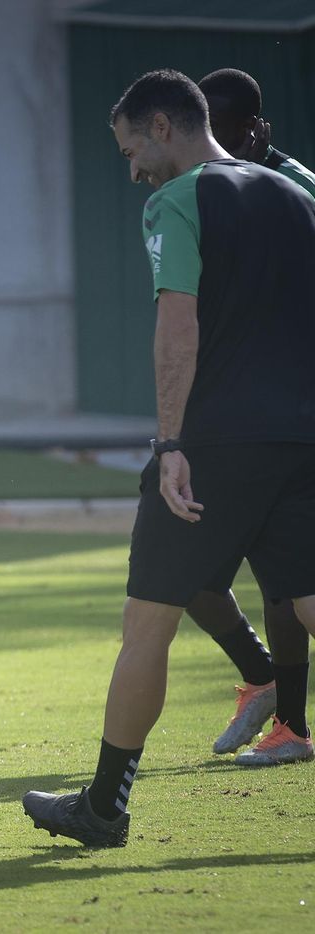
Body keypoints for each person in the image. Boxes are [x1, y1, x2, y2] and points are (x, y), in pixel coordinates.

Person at [23, 69, 315, 847]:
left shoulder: (177, 200)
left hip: (216, 442)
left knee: (146, 626)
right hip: (303, 438)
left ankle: (104, 808)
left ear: (161, 126)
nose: (132, 172)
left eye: (130, 151)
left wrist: (170, 443)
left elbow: (177, 325)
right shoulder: (296, 194)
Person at [177, 67, 315, 766]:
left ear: (253, 130)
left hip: (288, 414)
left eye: (224, 132)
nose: (213, 146)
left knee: (286, 585)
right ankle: (263, 680)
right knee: (188, 574)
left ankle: (291, 725)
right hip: (231, 413)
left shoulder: (295, 189)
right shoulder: (203, 192)